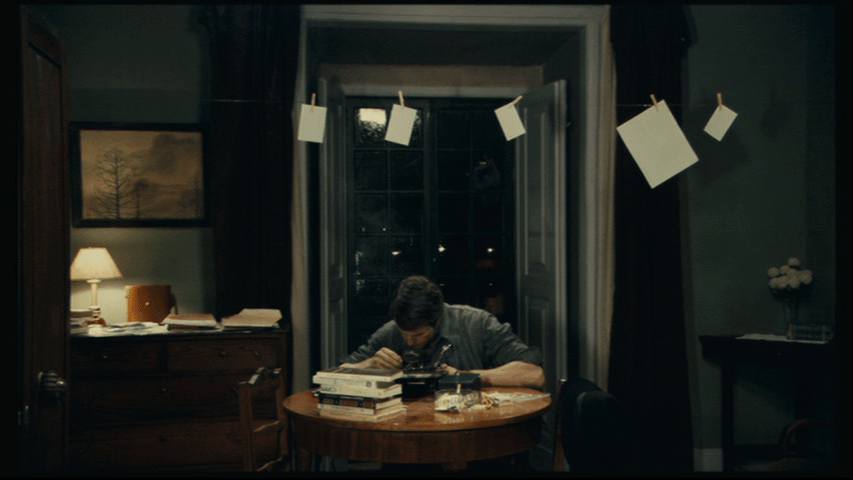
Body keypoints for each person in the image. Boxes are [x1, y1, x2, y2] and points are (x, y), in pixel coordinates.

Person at [339, 275, 545, 389]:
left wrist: (465, 376)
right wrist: (368, 365)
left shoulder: (477, 323)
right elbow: (334, 376)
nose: (409, 343)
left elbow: (533, 374)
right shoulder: (391, 331)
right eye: (404, 334)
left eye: (418, 335)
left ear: (438, 319)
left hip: (472, 432)